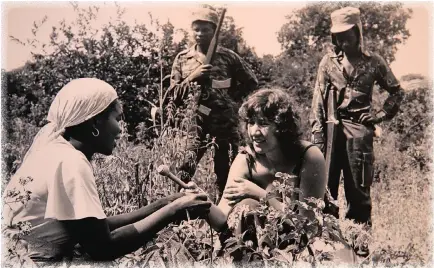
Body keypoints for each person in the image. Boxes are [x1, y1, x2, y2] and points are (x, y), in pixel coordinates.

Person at [2, 78, 211, 264]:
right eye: (117, 119)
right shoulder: (71, 162)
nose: (120, 129)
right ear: (95, 122)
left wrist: (165, 204)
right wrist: (173, 212)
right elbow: (102, 248)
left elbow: (94, 228)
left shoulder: (55, 151)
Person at [193, 88, 357, 263]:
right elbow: (223, 220)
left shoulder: (308, 156)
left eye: (263, 123)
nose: (254, 132)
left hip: (306, 244)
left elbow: (307, 226)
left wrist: (260, 194)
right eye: (250, 123)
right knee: (246, 207)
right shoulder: (245, 160)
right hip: (257, 248)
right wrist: (202, 202)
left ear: (281, 127)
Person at [309, 7, 404, 227]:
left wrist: (378, 116)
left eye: (348, 34)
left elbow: (397, 92)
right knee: (324, 193)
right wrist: (317, 137)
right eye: (338, 36)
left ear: (358, 32)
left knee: (359, 195)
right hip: (330, 132)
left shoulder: (374, 62)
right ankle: (327, 246)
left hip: (359, 136)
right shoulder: (328, 62)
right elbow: (318, 101)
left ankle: (358, 249)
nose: (343, 41)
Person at [169, 5, 258, 197]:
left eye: (206, 29)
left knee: (226, 170)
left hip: (224, 124)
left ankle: (226, 213)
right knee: (184, 167)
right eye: (196, 29)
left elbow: (251, 82)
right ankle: (176, 211)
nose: (200, 34)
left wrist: (233, 101)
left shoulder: (228, 57)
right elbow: (172, 94)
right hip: (194, 122)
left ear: (214, 30)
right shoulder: (183, 58)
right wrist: (193, 76)